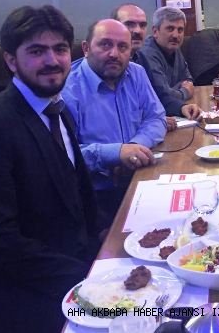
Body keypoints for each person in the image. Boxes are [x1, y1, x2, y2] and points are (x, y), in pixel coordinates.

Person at [0, 5, 99, 331]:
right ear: (10, 60)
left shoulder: (56, 109)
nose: (52, 60)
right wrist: (87, 276)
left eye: (60, 49)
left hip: (65, 264)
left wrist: (106, 243)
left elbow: (75, 196)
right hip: (13, 296)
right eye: (36, 51)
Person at [63, 19, 168, 228]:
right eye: (105, 44)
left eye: (122, 47)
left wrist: (134, 149)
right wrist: (115, 154)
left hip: (142, 177)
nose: (114, 54)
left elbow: (156, 117)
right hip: (95, 198)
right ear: (86, 48)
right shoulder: (67, 89)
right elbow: (63, 155)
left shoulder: (136, 73)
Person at [112, 3, 177, 131]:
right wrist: (152, 122)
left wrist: (181, 107)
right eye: (129, 24)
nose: (138, 31)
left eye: (142, 25)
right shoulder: (105, 65)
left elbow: (157, 97)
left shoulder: (140, 61)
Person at [135, 6, 201, 119]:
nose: (175, 35)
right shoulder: (146, 54)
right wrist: (184, 91)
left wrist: (174, 90)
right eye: (170, 29)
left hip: (172, 111)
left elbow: (188, 79)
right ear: (155, 31)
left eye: (180, 30)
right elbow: (161, 95)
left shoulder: (173, 47)